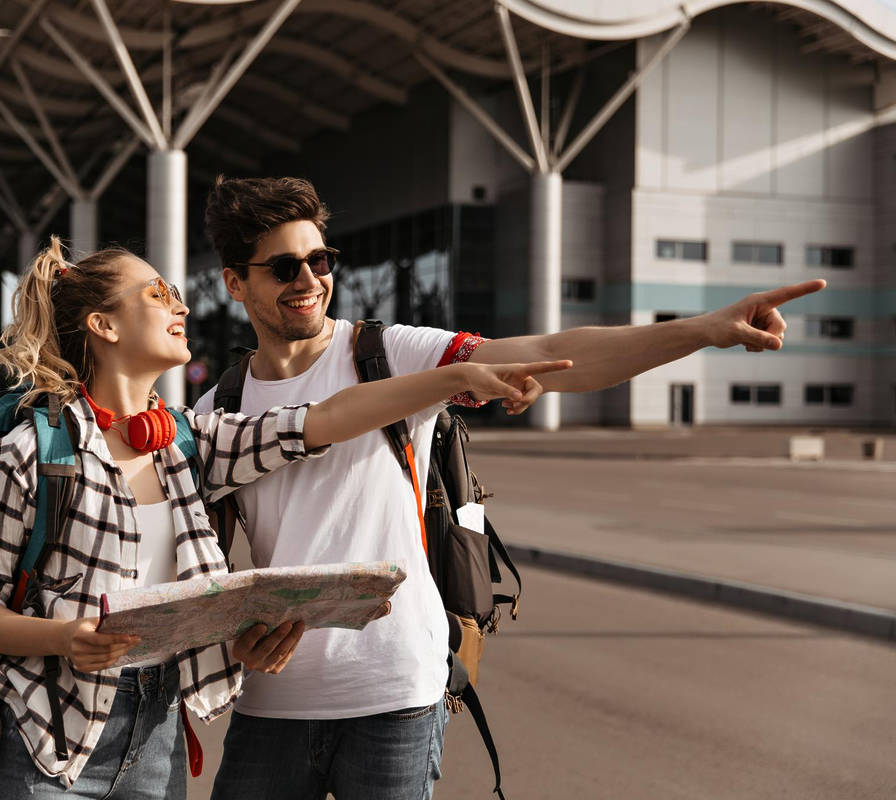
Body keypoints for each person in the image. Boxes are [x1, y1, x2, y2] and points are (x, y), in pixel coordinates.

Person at [194, 175, 827, 800]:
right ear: (235, 283)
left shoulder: (388, 354)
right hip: (271, 700)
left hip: (395, 693)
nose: (309, 281)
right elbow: (198, 567)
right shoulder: (217, 408)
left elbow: (552, 352)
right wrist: (233, 636)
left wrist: (705, 329)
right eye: (284, 268)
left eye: (320, 260)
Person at [0, 236, 572, 800]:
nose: (181, 305)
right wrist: (65, 638)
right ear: (103, 324)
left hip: (156, 735)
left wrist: (453, 376)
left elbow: (326, 418)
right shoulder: (31, 454)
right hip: (46, 733)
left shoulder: (188, 443)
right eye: (158, 293)